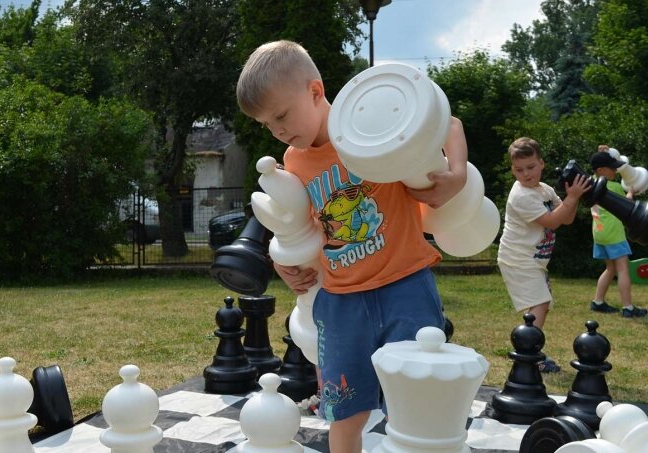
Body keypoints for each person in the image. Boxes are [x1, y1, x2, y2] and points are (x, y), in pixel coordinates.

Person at [236, 40, 467, 453]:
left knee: (415, 409)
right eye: (268, 125)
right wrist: (287, 265)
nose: (279, 131)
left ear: (315, 91)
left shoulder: (372, 126)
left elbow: (448, 121)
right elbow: (300, 227)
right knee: (343, 414)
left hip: (405, 287)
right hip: (340, 302)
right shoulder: (293, 162)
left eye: (282, 115)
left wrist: (460, 173)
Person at [497, 137, 591, 373]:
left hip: (534, 260)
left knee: (541, 306)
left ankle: (528, 349)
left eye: (531, 167)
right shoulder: (521, 196)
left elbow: (567, 218)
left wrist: (574, 197)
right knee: (541, 303)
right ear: (513, 170)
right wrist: (572, 197)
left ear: (542, 164)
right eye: (519, 170)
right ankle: (530, 355)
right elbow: (551, 220)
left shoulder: (545, 190)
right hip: (517, 259)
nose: (526, 174)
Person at [588, 151, 648, 318]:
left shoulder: (590, 184)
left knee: (610, 268)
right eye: (611, 169)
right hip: (614, 234)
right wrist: (630, 192)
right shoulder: (612, 187)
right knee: (623, 269)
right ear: (600, 170)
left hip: (599, 233)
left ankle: (598, 302)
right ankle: (628, 307)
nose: (615, 172)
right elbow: (627, 205)